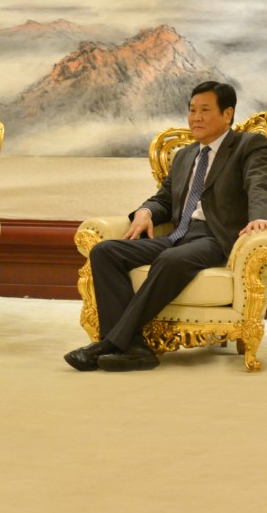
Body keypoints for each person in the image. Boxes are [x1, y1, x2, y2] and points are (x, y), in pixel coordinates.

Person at [64, 80, 267, 372]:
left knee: (171, 260)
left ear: (227, 114)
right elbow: (164, 198)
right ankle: (135, 348)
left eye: (205, 110)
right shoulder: (185, 156)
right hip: (178, 234)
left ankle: (109, 344)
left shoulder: (248, 145)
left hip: (215, 238)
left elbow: (259, 183)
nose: (195, 117)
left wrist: (260, 216)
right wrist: (146, 211)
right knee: (105, 252)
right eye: (192, 110)